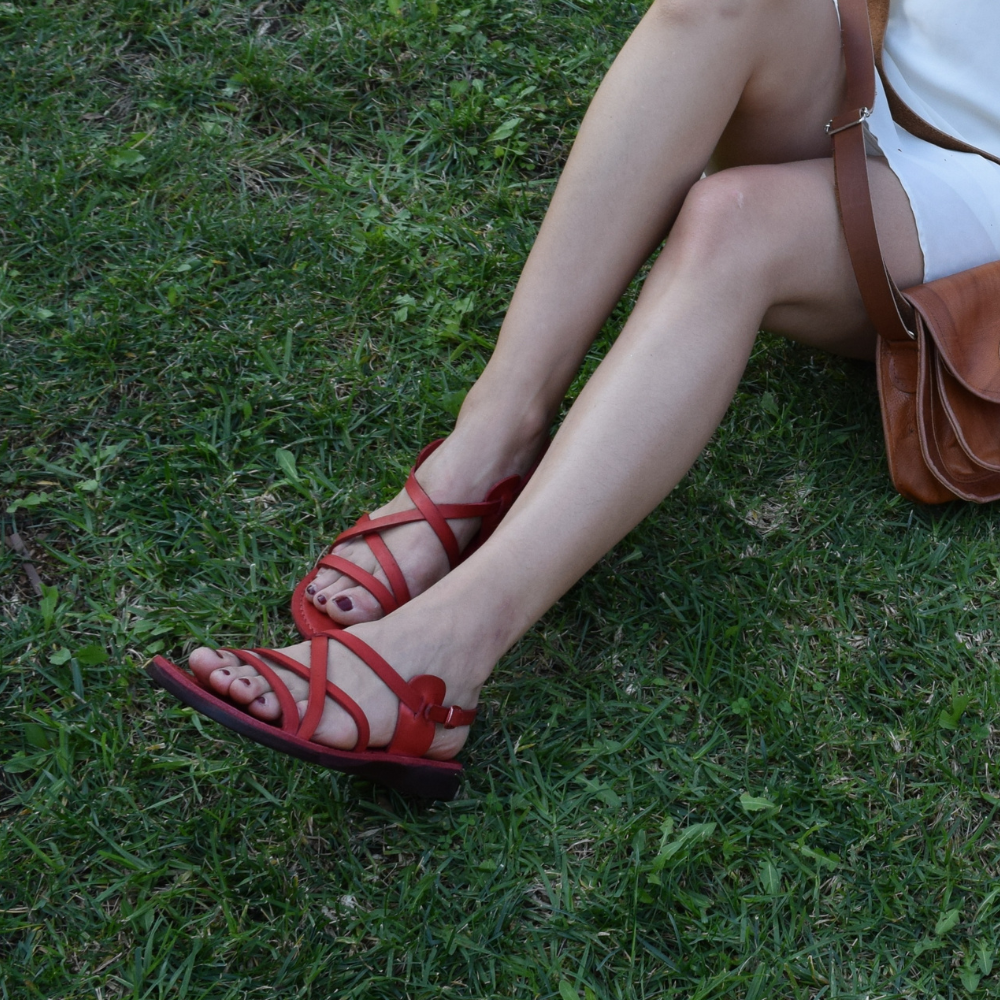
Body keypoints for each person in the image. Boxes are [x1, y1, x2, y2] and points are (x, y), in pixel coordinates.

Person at [153, 0, 1000, 792]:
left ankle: (449, 641)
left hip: (983, 200)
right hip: (881, 83)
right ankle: (489, 445)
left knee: (737, 220)